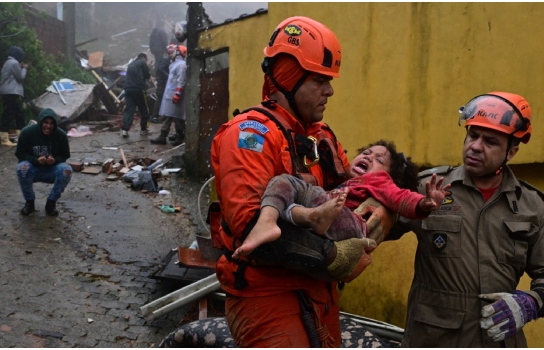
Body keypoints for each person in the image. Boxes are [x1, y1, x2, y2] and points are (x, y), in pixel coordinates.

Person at [210, 16, 386, 348]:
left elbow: (352, 198)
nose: (330, 90)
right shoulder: (250, 136)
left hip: (321, 295)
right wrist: (332, 255)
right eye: (320, 80)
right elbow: (251, 231)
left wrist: (384, 213)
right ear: (289, 76)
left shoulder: (321, 138)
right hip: (268, 299)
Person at [387, 92, 544, 347]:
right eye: (473, 135)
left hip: (500, 341)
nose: (475, 146)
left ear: (511, 152)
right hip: (434, 341)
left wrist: (530, 303)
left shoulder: (531, 205)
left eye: (490, 142)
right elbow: (372, 228)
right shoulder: (428, 187)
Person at [233, 140, 450, 258]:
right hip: (327, 222)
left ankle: (278, 220)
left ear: (389, 175)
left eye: (378, 159)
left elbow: (401, 198)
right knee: (288, 192)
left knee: (297, 188)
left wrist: (424, 203)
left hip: (351, 225)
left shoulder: (379, 180)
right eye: (366, 152)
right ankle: (300, 218)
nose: (368, 156)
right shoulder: (344, 184)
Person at [15, 108, 72, 216]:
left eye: (51, 123)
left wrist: (55, 160)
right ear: (40, 122)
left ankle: (51, 203)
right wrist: (35, 160)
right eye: (45, 122)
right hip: (33, 169)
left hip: (51, 170)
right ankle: (29, 202)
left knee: (67, 170)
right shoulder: (27, 132)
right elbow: (20, 154)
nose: (48, 126)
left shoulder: (61, 135)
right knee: (22, 168)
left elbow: (65, 155)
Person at [150, 44, 187, 146]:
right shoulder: (173, 65)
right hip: (170, 94)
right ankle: (163, 136)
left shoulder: (181, 66)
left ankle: (180, 136)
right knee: (168, 115)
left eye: (171, 53)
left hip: (176, 95)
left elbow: (181, 81)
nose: (170, 55)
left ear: (178, 53)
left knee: (177, 117)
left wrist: (177, 94)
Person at [0, 45, 28, 147]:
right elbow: (20, 77)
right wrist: (24, 69)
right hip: (11, 91)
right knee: (9, 114)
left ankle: (22, 137)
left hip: (8, 91)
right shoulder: (14, 63)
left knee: (18, 114)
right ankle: (4, 138)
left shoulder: (8, 62)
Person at [120, 53, 151, 138]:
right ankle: (143, 129)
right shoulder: (142, 63)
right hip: (138, 88)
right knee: (144, 108)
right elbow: (147, 75)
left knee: (129, 109)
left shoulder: (130, 64)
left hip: (127, 89)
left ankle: (125, 130)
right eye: (146, 60)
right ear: (144, 58)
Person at [149, 44, 173, 124]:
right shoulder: (165, 60)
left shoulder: (169, 61)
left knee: (163, 100)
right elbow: (161, 69)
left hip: (165, 83)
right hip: (162, 84)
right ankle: (155, 117)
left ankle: (161, 115)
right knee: (160, 100)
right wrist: (169, 76)